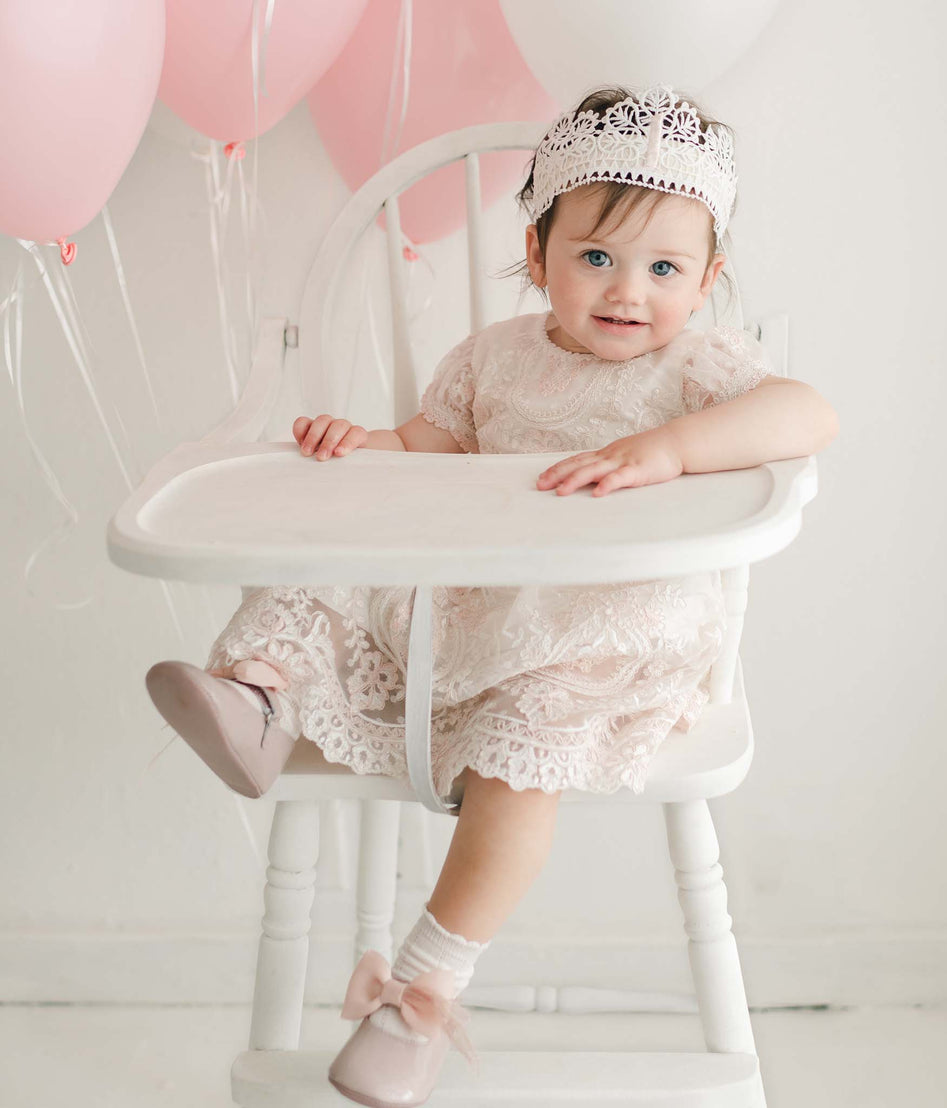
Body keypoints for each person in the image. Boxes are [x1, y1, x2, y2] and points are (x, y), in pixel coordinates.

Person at [145, 85, 839, 1106]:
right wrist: (365, 446)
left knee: (519, 761)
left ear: (706, 281)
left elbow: (807, 411)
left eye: (662, 268)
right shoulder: (492, 357)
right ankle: (256, 694)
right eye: (594, 256)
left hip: (602, 640)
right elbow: (434, 454)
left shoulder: (697, 368)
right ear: (539, 247)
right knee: (326, 566)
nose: (625, 290)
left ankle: (419, 990)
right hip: (471, 604)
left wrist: (669, 449)